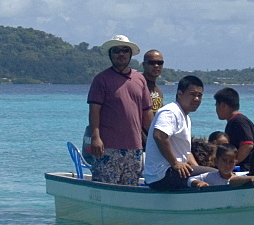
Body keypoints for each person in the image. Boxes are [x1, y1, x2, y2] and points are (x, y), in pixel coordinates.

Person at [87, 35, 153, 185]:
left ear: (130, 54)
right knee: (105, 188)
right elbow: (94, 110)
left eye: (125, 50)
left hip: (134, 148)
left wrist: (154, 139)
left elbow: (146, 112)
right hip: (108, 147)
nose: (121, 54)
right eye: (116, 51)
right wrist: (95, 138)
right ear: (110, 54)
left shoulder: (140, 79)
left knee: (130, 189)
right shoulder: (101, 79)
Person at [144, 75, 216, 190]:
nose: (196, 99)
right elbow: (159, 136)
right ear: (180, 93)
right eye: (192, 94)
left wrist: (199, 171)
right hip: (163, 174)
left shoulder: (185, 117)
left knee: (210, 176)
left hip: (174, 172)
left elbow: (187, 154)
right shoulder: (170, 111)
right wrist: (175, 163)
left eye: (199, 95)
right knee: (217, 176)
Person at [213, 87, 254, 172]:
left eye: (216, 105)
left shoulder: (238, 121)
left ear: (223, 105)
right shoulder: (234, 121)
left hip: (246, 168)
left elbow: (248, 144)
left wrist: (232, 163)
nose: (216, 110)